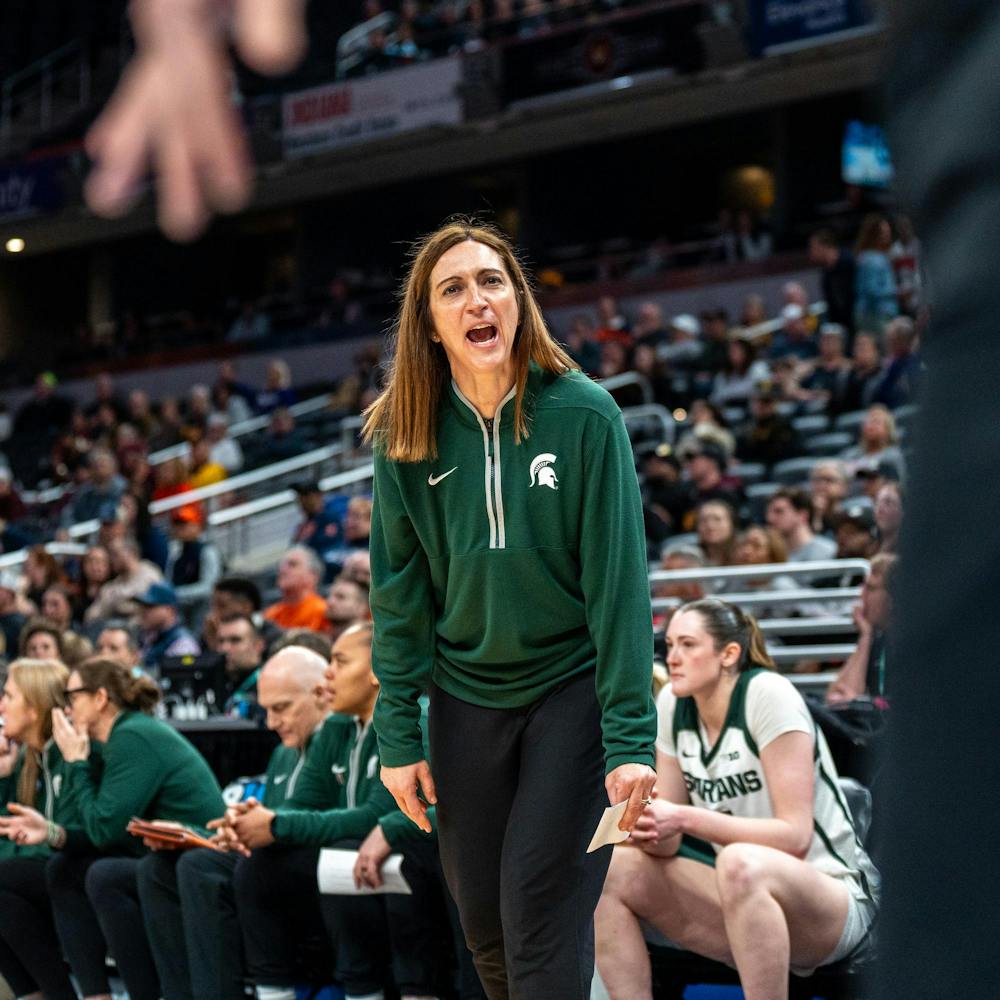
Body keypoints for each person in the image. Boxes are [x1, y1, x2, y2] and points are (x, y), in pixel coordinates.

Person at [361, 220, 656, 999]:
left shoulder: (586, 415)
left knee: (538, 911)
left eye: (492, 281)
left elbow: (620, 587)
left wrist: (631, 738)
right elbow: (397, 600)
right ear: (429, 323)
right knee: (485, 924)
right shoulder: (402, 435)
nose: (476, 299)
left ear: (519, 302)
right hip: (465, 697)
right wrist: (397, 734)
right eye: (452, 288)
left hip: (572, 691)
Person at [594, 599, 879, 1000]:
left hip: (829, 896)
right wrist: (645, 825)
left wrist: (683, 818)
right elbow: (670, 839)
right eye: (670, 644)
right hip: (741, 893)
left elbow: (794, 835)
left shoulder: (768, 694)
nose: (672, 657)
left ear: (729, 654)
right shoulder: (673, 704)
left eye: (688, 645)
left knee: (740, 862)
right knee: (612, 868)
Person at [224, 625, 452, 1000]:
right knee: (259, 865)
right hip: (362, 857)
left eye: (340, 661)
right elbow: (302, 804)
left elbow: (382, 815)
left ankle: (375, 992)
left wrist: (277, 824)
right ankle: (273, 991)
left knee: (344, 856)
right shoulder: (338, 726)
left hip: (416, 856)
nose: (328, 673)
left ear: (378, 670)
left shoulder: (414, 718)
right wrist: (257, 822)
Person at [0, 657, 224, 1000]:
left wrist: (76, 764)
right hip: (153, 855)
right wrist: (50, 832)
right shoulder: (118, 737)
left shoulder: (130, 736)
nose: (66, 706)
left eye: (72, 696)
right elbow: (95, 830)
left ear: (100, 698)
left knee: (97, 874)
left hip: (199, 856)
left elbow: (102, 829)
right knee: (67, 869)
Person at [136, 645, 330, 1000]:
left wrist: (252, 830)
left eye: (281, 708)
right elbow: (272, 817)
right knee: (155, 869)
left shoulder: (334, 738)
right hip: (273, 857)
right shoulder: (284, 752)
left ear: (321, 694)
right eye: (266, 710)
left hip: (306, 866)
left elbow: (305, 820)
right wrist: (211, 832)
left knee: (201, 866)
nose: (271, 723)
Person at [0, 658, 80, 1000]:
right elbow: (8, 830)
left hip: (77, 864)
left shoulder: (67, 754)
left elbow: (74, 830)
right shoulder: (29, 759)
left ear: (34, 709)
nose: (1, 705)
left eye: (8, 696)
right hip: (43, 868)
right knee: (3, 903)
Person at [826, 554, 896, 706]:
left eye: (870, 588)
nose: (862, 595)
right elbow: (835, 697)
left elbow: (847, 698)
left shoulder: (912, 642)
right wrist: (865, 636)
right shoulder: (877, 637)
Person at [84, 536, 164, 624]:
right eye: (111, 555)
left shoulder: (149, 573)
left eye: (115, 554)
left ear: (130, 553)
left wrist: (120, 603)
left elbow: (156, 608)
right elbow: (91, 616)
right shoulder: (112, 586)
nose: (111, 559)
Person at [263, 546, 329, 632]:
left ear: (313, 576)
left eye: (293, 564)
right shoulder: (271, 614)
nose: (283, 569)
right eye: (282, 565)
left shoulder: (323, 613)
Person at [135, 581, 201, 667]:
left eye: (150, 606)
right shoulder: (149, 635)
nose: (143, 612)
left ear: (169, 610)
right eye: (142, 606)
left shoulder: (184, 644)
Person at [853, 214, 899, 334]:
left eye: (888, 231)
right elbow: (871, 289)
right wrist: (896, 291)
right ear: (874, 235)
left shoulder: (876, 257)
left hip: (881, 313)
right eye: (884, 232)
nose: (888, 235)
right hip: (876, 314)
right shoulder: (872, 259)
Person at [766, 488, 837, 563]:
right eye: (769, 512)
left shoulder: (829, 553)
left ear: (802, 516)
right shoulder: (768, 554)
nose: (770, 518)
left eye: (779, 511)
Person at [215, 613, 267, 716]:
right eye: (221, 641)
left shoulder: (270, 686)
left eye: (235, 640)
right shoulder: (214, 682)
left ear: (258, 645)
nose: (225, 648)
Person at [841, 403, 906, 480]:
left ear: (888, 430)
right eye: (867, 422)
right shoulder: (850, 455)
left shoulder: (893, 456)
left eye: (876, 422)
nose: (870, 426)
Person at [808, 228, 856, 332]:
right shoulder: (825, 274)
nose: (811, 253)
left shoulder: (849, 261)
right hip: (842, 326)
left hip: (857, 319)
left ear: (823, 247)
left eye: (813, 248)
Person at [324, 574, 370, 641]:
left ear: (361, 607)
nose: (330, 602)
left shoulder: (369, 646)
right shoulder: (322, 637)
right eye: (329, 595)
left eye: (340, 597)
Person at [695, 499, 737, 568]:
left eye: (717, 519)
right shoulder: (689, 558)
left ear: (732, 523)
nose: (710, 526)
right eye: (703, 520)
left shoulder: (746, 556)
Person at [874, 480, 903, 555]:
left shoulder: (910, 549)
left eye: (888, 502)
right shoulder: (869, 547)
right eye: (877, 502)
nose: (880, 509)